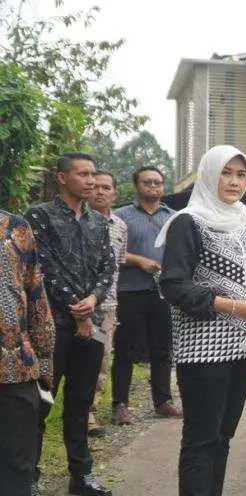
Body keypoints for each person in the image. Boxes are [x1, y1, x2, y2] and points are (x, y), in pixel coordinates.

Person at [157, 145, 246, 496]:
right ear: (209, 175)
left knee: (224, 436)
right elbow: (173, 285)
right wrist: (231, 306)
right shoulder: (188, 222)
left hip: (244, 346)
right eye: (226, 173)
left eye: (241, 174)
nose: (234, 182)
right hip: (203, 348)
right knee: (201, 439)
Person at [26, 152, 117, 496]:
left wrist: (92, 300)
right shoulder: (39, 217)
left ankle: (82, 476)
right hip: (51, 326)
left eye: (93, 174)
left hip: (91, 325)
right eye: (83, 174)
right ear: (62, 177)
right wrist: (77, 309)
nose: (91, 181)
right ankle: (27, 477)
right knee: (40, 403)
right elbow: (42, 267)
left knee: (80, 404)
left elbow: (107, 267)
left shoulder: (98, 222)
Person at [111, 166, 180, 426]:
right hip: (130, 291)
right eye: (147, 182)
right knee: (125, 349)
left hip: (163, 293)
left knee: (162, 349)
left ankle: (163, 401)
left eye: (157, 182)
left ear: (163, 186)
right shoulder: (121, 217)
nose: (153, 187)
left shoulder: (174, 218)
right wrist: (138, 260)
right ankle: (120, 404)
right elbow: (111, 251)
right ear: (136, 186)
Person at [0, 209, 55, 496]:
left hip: (16, 368)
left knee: (16, 464)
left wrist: (44, 360)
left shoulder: (16, 227)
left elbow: (35, 295)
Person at [87, 170, 129, 437]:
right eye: (96, 187)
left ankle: (89, 412)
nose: (100, 192)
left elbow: (119, 264)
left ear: (114, 193)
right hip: (74, 305)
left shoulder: (120, 226)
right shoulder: (77, 221)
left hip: (106, 308)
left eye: (106, 188)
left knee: (100, 359)